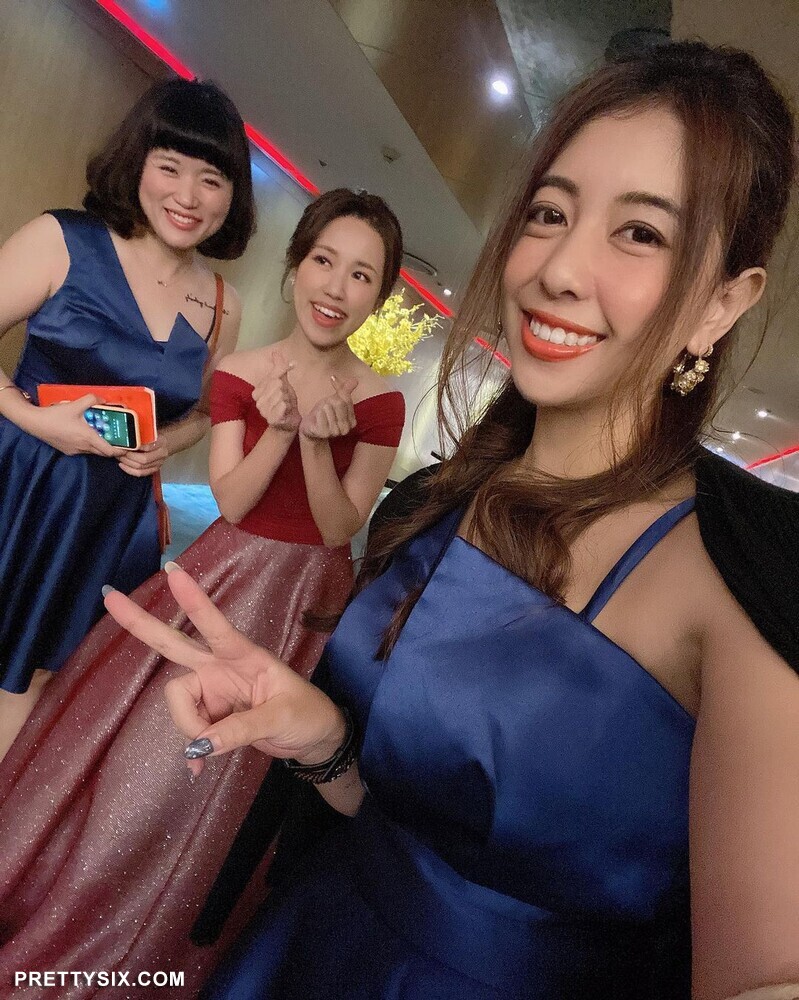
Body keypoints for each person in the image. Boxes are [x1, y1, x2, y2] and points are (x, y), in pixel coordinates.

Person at [105, 42, 799, 1000]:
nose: (558, 268)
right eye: (548, 213)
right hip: (300, 945)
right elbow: (405, 826)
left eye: (639, 233)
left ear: (721, 304)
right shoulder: (430, 503)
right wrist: (324, 743)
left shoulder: (748, 584)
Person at [0, 188, 405, 998]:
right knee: (147, 763)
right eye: (324, 260)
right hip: (224, 575)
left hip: (312, 602)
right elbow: (234, 501)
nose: (336, 286)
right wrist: (282, 429)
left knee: (253, 779)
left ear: (381, 294)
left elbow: (341, 524)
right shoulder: (241, 375)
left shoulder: (383, 399)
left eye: (362, 274)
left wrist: (318, 446)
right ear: (296, 265)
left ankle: (175, 934)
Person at [0, 77, 254, 756]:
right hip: (17, 474)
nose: (188, 195)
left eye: (211, 179)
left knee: (40, 675)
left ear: (232, 196)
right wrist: (35, 419)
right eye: (170, 167)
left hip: (108, 511)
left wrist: (165, 443)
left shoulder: (221, 304)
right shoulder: (62, 239)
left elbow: (204, 411)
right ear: (137, 162)